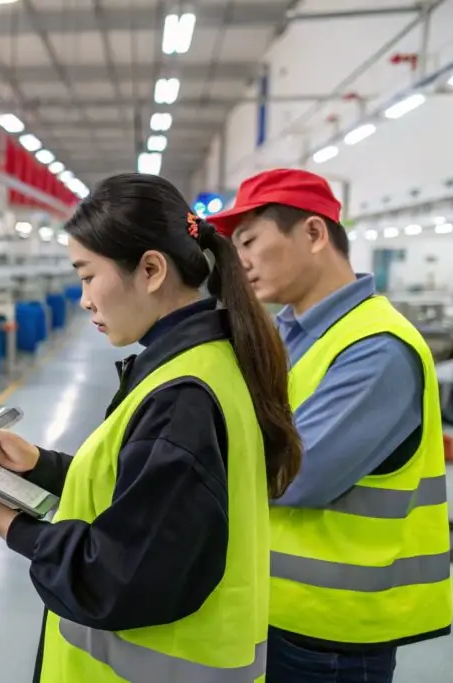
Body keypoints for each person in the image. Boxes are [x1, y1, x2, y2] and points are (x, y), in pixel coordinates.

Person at [0, 172, 303, 682]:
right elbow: (140, 496)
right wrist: (38, 466)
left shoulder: (182, 396)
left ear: (152, 269)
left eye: (88, 276)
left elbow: (111, 578)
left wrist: (5, 521)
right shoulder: (205, 363)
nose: (84, 299)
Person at [209, 168, 452, 683]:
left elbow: (295, 476)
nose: (241, 262)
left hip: (332, 636)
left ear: (315, 234)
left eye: (250, 241)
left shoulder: (376, 347)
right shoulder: (289, 332)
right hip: (274, 609)